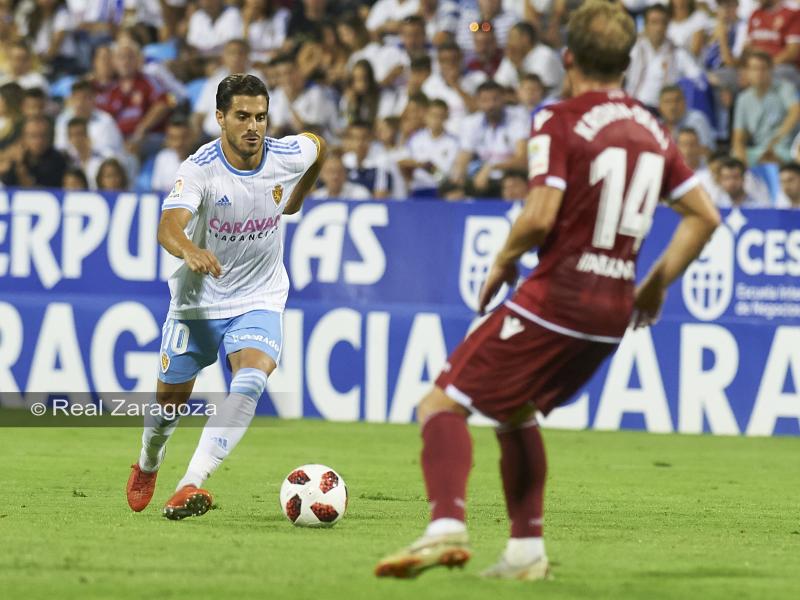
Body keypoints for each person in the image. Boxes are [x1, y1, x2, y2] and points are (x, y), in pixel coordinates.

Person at [374, 0, 720, 581]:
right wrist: (655, 286)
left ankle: (444, 528)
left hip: (559, 294)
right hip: (613, 309)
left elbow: (539, 216)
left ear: (568, 58)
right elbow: (704, 215)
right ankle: (526, 554)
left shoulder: (557, 118)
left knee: (439, 402)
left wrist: (503, 259)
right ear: (627, 62)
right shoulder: (654, 129)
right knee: (514, 411)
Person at [125, 73, 326, 520]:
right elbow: (168, 227)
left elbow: (318, 144)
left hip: (260, 295)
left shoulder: (286, 154)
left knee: (251, 380)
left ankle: (190, 483)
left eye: (260, 116)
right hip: (198, 301)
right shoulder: (199, 169)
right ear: (220, 118)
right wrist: (191, 250)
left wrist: (297, 198)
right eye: (242, 116)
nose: (253, 126)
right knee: (166, 411)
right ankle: (148, 462)